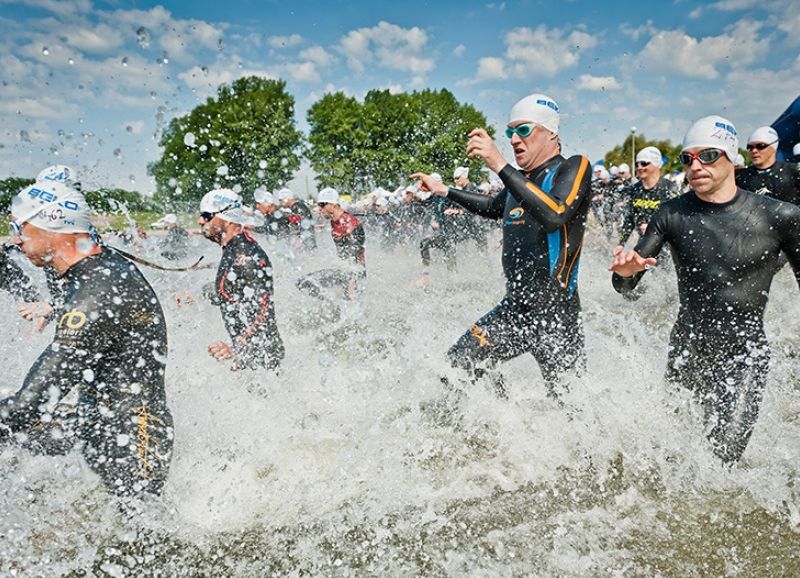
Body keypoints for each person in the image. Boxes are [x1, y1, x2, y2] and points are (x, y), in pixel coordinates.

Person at [610, 115, 800, 464]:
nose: (695, 165)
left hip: (745, 356)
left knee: (720, 460)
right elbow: (625, 285)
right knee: (678, 461)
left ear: (731, 157)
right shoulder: (671, 213)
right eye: (688, 158)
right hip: (686, 351)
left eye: (708, 155)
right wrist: (625, 272)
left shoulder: (780, 216)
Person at [412, 93, 592, 398]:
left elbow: (555, 213)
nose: (514, 139)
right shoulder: (518, 182)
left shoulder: (573, 167)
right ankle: (505, 425)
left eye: (524, 130)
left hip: (556, 315)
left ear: (551, 133)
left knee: (574, 411)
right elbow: (491, 206)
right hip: (514, 312)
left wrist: (499, 164)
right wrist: (445, 191)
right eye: (510, 132)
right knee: (455, 367)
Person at [0, 180, 173, 497]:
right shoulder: (98, 267)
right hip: (99, 421)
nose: (14, 239)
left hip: (133, 441)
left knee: (138, 535)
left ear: (51, 222)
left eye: (19, 226)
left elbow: (30, 404)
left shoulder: (96, 293)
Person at [198, 189, 284, 371]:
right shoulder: (232, 250)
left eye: (207, 216)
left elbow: (264, 311)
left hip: (264, 358)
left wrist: (235, 348)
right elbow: (231, 294)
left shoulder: (247, 257)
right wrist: (196, 297)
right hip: (249, 355)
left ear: (227, 218)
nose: (200, 221)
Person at [296, 187, 366, 300]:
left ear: (334, 205)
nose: (320, 209)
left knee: (305, 282)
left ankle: (334, 303)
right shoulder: (335, 221)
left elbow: (355, 258)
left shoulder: (349, 224)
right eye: (319, 205)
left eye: (322, 205)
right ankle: (332, 303)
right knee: (303, 283)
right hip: (343, 272)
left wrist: (351, 287)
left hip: (352, 275)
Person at [614, 146, 678, 254]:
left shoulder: (670, 188)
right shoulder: (636, 189)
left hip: (667, 248)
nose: (639, 167)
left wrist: (654, 229)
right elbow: (630, 219)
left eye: (644, 163)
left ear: (656, 163)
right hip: (644, 244)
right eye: (637, 164)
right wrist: (621, 243)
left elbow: (680, 222)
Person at [735, 126, 800, 205]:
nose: (754, 151)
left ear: (774, 147)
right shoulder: (740, 176)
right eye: (750, 147)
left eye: (761, 146)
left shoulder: (794, 171)